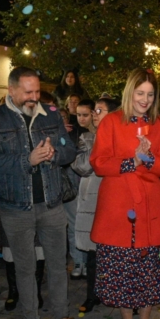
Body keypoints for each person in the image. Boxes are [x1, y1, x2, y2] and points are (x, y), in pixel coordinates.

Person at [0, 67, 83, 319]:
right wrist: (28, 159)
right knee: (25, 268)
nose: (34, 97)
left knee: (58, 266)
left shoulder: (49, 113)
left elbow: (69, 150)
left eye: (37, 91)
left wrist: (54, 154)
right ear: (11, 90)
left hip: (51, 203)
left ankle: (61, 317)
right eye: (28, 92)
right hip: (15, 207)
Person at [89, 68, 160, 319]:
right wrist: (131, 162)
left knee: (149, 272)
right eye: (140, 93)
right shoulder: (111, 122)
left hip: (151, 207)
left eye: (151, 94)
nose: (146, 99)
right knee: (121, 271)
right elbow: (99, 162)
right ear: (130, 92)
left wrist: (148, 159)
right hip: (118, 207)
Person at [71, 97, 120, 314]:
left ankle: (115, 292)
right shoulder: (87, 137)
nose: (95, 114)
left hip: (115, 197)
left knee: (115, 250)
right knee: (93, 251)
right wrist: (99, 142)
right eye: (95, 110)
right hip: (92, 198)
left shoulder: (123, 138)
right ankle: (92, 295)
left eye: (101, 110)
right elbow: (82, 167)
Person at [65, 99, 95, 280]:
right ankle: (78, 261)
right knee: (73, 225)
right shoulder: (71, 132)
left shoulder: (97, 133)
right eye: (78, 115)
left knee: (88, 226)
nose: (81, 119)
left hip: (90, 185)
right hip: (73, 183)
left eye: (86, 115)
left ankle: (88, 261)